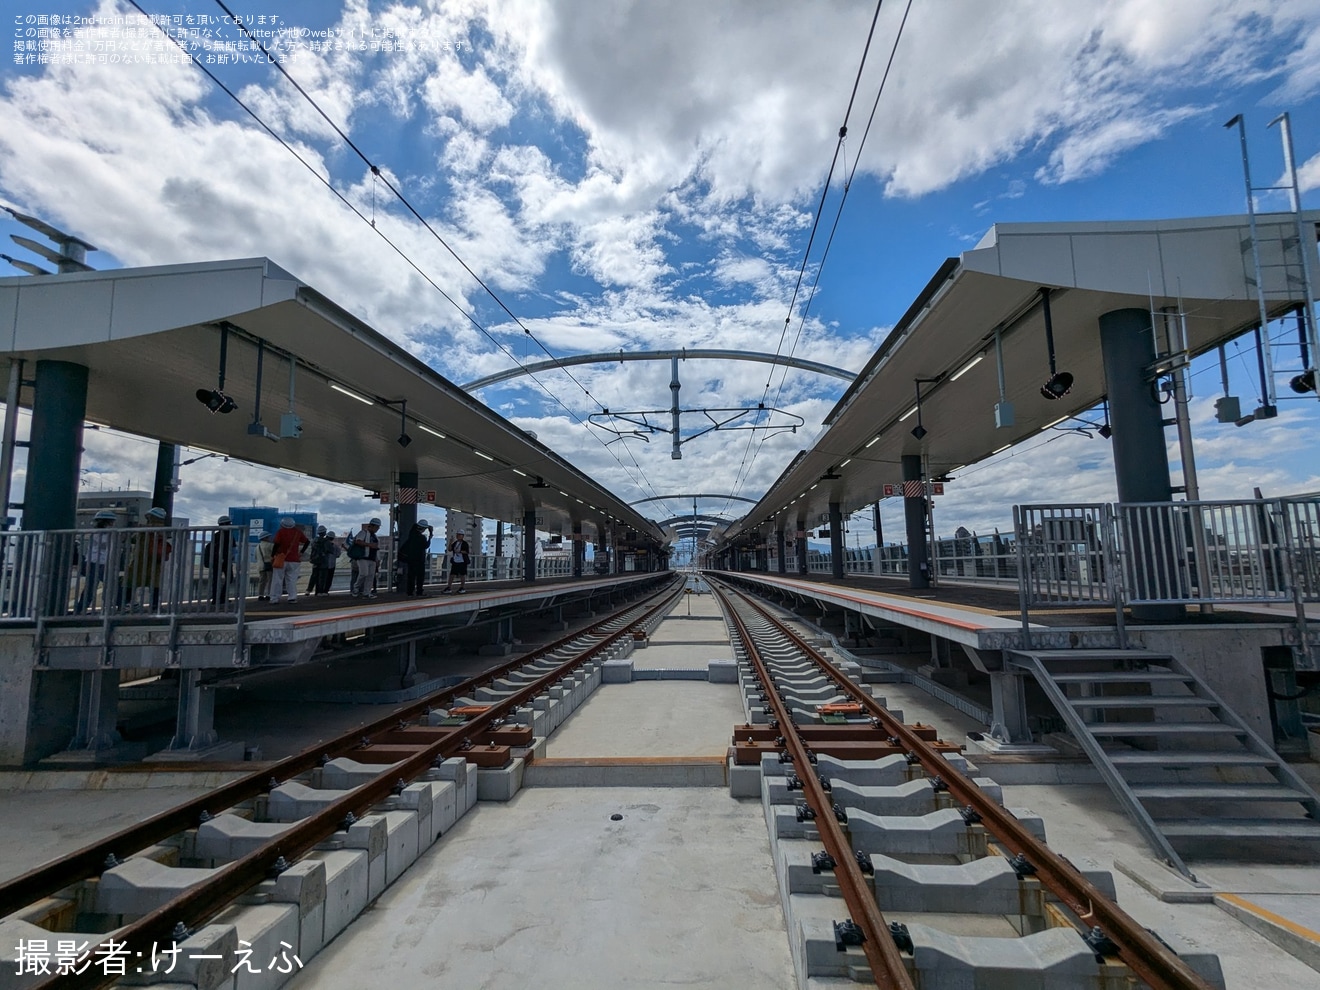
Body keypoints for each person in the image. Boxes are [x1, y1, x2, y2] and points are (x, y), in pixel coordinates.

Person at [124, 506, 172, 611]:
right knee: (154, 583)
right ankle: (154, 605)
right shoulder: (162, 529)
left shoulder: (145, 529)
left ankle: (128, 603)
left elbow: (133, 539)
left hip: (140, 558)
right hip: (155, 560)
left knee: (130, 581)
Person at [75, 510, 116, 614]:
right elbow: (103, 545)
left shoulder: (98, 532)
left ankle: (81, 609)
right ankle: (81, 609)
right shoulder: (102, 533)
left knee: (93, 586)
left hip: (95, 561)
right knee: (108, 585)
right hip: (97, 562)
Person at [271, 517, 310, 603]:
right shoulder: (297, 532)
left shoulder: (281, 532)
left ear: (282, 524)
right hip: (294, 560)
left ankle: (274, 598)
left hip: (281, 559)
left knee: (277, 579)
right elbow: (307, 542)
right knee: (292, 579)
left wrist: (272, 555)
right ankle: (292, 597)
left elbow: (276, 544)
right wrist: (302, 552)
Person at [398, 519, 433, 596]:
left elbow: (413, 527)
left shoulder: (412, 534)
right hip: (419, 560)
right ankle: (419, 591)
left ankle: (410, 592)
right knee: (420, 577)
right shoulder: (421, 537)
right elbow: (426, 545)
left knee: (411, 576)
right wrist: (430, 535)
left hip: (411, 559)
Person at [206, 515, 235, 608]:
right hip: (226, 560)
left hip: (216, 560)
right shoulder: (229, 535)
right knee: (229, 578)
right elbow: (233, 547)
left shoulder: (216, 535)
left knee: (216, 580)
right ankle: (222, 597)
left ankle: (215, 598)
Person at [350, 517, 381, 599]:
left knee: (370, 576)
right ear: (372, 526)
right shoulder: (363, 532)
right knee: (364, 573)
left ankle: (366, 592)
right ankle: (356, 588)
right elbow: (358, 541)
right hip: (363, 557)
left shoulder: (375, 537)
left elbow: (377, 548)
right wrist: (370, 545)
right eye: (377, 527)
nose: (377, 529)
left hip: (372, 558)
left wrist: (377, 559)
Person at [441, 530, 471, 594]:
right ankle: (449, 587)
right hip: (455, 561)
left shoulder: (465, 543)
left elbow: (466, 551)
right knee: (452, 574)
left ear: (462, 536)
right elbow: (449, 549)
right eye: (457, 534)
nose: (458, 536)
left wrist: (459, 551)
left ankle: (462, 587)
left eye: (460, 535)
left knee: (462, 575)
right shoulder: (455, 543)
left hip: (462, 561)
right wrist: (450, 542)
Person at [306, 525, 330, 596]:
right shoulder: (326, 541)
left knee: (314, 576)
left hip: (315, 560)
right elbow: (329, 550)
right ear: (324, 532)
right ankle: (320, 591)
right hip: (323, 561)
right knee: (322, 577)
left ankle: (308, 590)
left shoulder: (314, 540)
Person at [316, 530, 342, 595]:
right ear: (333, 538)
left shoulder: (321, 544)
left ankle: (319, 591)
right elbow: (338, 555)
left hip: (322, 564)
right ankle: (325, 591)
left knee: (320, 578)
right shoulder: (335, 546)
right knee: (329, 579)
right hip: (332, 565)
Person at [255, 531, 275, 601]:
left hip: (260, 566)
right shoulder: (270, 545)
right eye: (268, 537)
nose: (270, 538)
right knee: (270, 580)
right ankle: (268, 594)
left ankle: (260, 595)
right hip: (269, 565)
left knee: (262, 580)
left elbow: (256, 557)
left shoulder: (257, 547)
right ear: (265, 538)